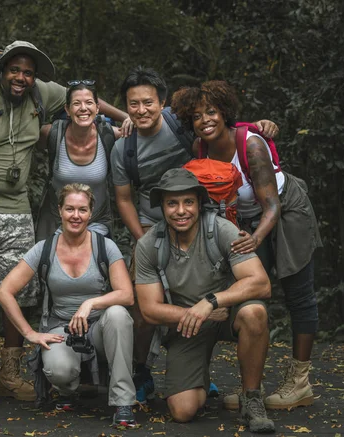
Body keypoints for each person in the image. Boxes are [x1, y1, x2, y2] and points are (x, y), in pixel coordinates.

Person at [0, 40, 131, 408]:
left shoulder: (38, 92)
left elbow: (85, 99)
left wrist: (124, 118)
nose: (21, 78)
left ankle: (11, 373)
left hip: (15, 207)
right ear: (1, 69)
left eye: (28, 72)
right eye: (15, 70)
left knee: (22, 291)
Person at [110, 66, 279, 403]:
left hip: (199, 218)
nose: (141, 110)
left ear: (162, 104)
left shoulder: (180, 123)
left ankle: (207, 374)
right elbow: (125, 198)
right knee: (143, 306)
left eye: (148, 103)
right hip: (150, 224)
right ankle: (142, 369)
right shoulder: (123, 149)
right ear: (126, 107)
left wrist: (255, 127)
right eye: (133, 105)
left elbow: (217, 125)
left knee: (212, 289)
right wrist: (144, 236)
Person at [171, 80, 322, 410]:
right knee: (250, 294)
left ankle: (300, 383)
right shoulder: (201, 148)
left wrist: (254, 239)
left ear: (224, 113)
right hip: (248, 219)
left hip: (284, 210)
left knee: (297, 292)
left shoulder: (250, 144)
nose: (205, 120)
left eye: (211, 111)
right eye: (196, 115)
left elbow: (272, 207)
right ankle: (251, 388)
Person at [134, 168, 275, 433]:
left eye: (188, 202)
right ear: (162, 207)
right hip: (186, 326)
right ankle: (199, 377)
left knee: (255, 312)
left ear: (199, 203)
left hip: (226, 314)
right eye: (172, 203)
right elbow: (150, 310)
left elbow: (261, 283)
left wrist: (211, 302)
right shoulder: (150, 244)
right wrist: (199, 313)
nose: (181, 210)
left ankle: (252, 398)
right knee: (183, 411)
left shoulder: (221, 230)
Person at [0, 183, 137, 428]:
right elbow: (4, 292)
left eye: (82, 209)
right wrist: (29, 333)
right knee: (59, 371)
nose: (76, 215)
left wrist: (90, 303)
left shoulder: (105, 246)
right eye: (69, 208)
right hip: (62, 328)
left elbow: (127, 295)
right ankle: (67, 390)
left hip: (100, 327)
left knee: (118, 314)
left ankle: (123, 402)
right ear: (59, 210)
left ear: (90, 213)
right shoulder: (45, 249)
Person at [35, 80, 123, 241]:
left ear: (97, 108)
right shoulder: (52, 134)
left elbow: (144, 132)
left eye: (89, 103)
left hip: (97, 224)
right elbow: (22, 135)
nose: (83, 108)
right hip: (56, 224)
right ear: (67, 109)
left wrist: (129, 119)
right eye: (76, 103)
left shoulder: (109, 135)